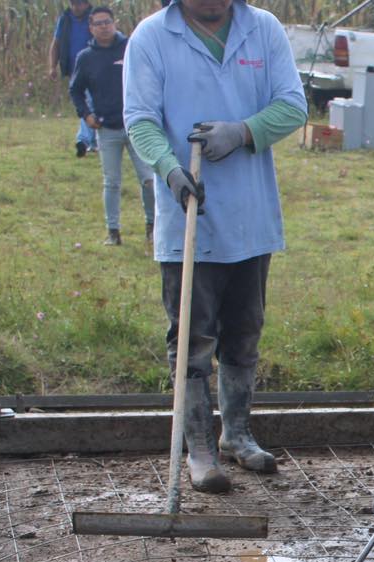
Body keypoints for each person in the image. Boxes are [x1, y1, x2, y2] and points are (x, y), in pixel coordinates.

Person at [124, 0, 307, 492]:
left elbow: (293, 105)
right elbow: (140, 120)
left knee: (244, 333)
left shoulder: (263, 29)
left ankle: (238, 434)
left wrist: (243, 131)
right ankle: (200, 448)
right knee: (192, 340)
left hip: (250, 217)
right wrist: (169, 169)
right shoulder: (151, 37)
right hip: (190, 218)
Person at [69, 7, 154, 247]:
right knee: (112, 182)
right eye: (98, 23)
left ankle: (152, 227)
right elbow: (75, 90)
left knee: (148, 179)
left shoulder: (131, 48)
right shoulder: (86, 57)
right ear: (91, 28)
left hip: (137, 126)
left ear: (114, 23)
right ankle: (113, 231)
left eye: (107, 22)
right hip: (106, 129)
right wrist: (86, 115)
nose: (104, 27)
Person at [49, 0, 98, 157]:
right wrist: (52, 66)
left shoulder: (95, 18)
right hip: (73, 70)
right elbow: (55, 44)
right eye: (73, 4)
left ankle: (83, 140)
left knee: (90, 102)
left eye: (79, 4)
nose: (76, 7)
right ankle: (94, 142)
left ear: (86, 4)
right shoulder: (65, 20)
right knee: (86, 104)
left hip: (94, 68)